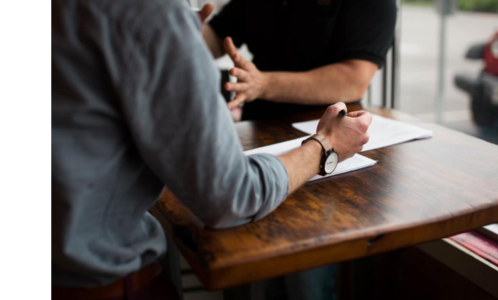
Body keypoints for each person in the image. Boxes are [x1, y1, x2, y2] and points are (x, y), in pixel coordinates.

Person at [51, 0, 372, 298]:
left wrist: (175, 35)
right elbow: (230, 195)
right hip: (99, 283)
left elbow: (356, 77)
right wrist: (325, 146)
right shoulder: (148, 11)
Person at [202, 0, 397, 120]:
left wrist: (263, 84)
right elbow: (218, 36)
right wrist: (182, 32)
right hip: (258, 126)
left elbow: (353, 79)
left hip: (327, 133)